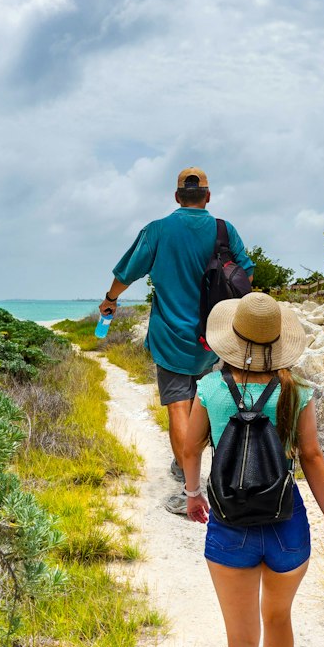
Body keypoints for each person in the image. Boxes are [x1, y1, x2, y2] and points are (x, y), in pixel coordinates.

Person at [174, 291, 324, 647]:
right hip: (286, 522)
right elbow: (311, 457)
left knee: (241, 639)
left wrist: (191, 494)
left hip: (230, 526)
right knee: (279, 615)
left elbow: (190, 447)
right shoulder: (298, 392)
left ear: (233, 337)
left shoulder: (210, 388)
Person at [100, 167, 253, 514]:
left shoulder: (158, 230)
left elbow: (125, 273)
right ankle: (203, 474)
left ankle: (190, 491)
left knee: (179, 406)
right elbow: (246, 274)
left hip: (171, 335)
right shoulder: (224, 230)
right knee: (210, 405)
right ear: (208, 198)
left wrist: (110, 299)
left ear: (176, 197)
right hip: (215, 334)